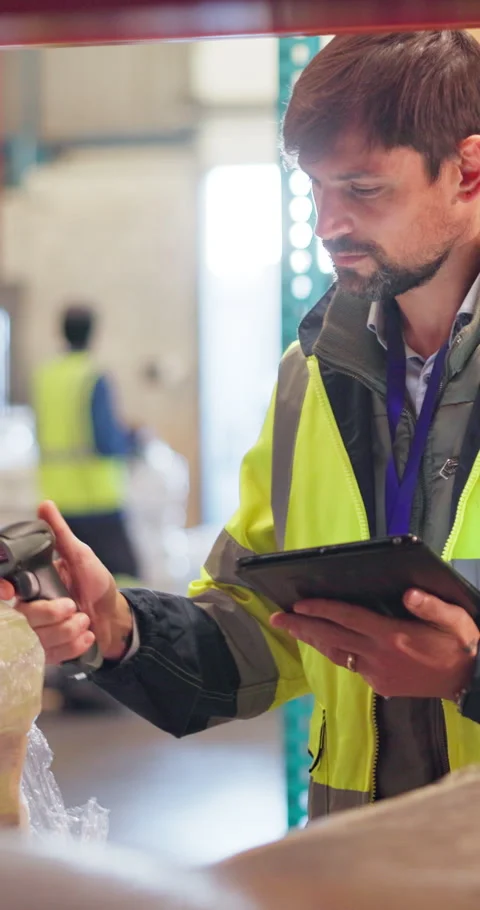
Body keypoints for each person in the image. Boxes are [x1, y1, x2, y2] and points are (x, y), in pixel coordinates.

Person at [10, 30, 480, 819]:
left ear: (469, 170)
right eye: (315, 188)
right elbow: (264, 632)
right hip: (357, 863)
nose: (327, 222)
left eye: (362, 189)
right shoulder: (310, 380)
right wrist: (122, 628)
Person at [33, 304, 140, 581]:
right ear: (93, 332)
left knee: (72, 579)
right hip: (97, 497)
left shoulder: (46, 376)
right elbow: (107, 441)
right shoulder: (92, 375)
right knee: (123, 575)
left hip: (57, 498)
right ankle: (127, 625)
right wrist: (133, 441)